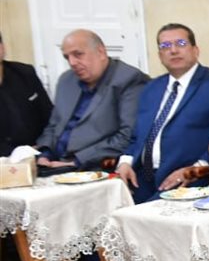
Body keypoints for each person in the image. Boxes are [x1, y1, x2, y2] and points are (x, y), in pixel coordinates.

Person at [115, 23, 209, 203]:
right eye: (165, 46)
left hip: (186, 177)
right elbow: (137, 136)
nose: (173, 50)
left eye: (181, 43)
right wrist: (125, 162)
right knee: (106, 207)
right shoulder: (151, 88)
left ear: (195, 50)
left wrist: (197, 168)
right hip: (140, 176)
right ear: (160, 55)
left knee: (138, 216)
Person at [36, 29, 147, 170]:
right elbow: (53, 125)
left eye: (78, 54)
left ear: (101, 52)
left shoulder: (129, 79)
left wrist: (75, 162)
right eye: (67, 57)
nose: (72, 62)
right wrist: (44, 154)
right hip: (53, 164)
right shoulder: (66, 80)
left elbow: (127, 136)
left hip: (94, 166)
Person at [0, 31, 53, 157]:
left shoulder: (25, 73)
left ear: (3, 47)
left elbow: (50, 117)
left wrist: (43, 147)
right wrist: (15, 153)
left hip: (39, 152)